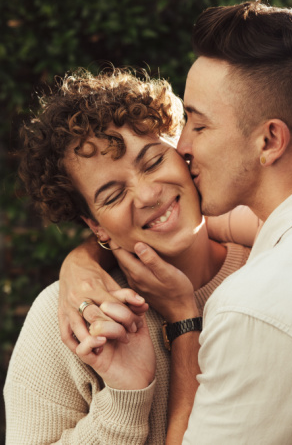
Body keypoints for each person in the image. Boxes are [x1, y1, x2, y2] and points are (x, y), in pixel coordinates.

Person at [57, 0, 292, 444]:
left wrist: (185, 323)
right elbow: (227, 224)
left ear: (269, 140)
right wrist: (85, 258)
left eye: (198, 126)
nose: (180, 146)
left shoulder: (260, 312)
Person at [3, 68, 257, 444]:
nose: (147, 195)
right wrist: (123, 402)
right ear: (96, 226)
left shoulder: (271, 264)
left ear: (183, 154)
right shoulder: (67, 320)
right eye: (112, 195)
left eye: (154, 162)